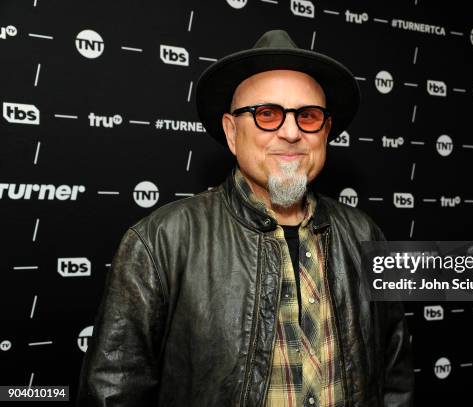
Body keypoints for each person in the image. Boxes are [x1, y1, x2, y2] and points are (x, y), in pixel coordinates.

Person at [77, 29, 414, 407]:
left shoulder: (366, 234)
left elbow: (395, 378)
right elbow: (113, 393)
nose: (291, 133)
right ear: (232, 132)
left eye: (308, 116)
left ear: (326, 131)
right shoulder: (161, 242)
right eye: (267, 114)